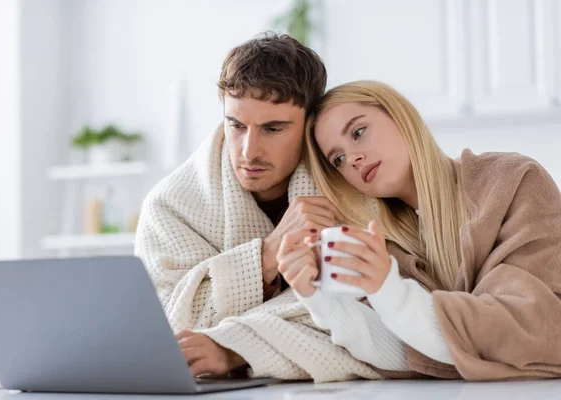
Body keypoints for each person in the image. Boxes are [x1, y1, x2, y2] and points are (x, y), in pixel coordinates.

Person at [135, 34, 383, 382]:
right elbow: (170, 329)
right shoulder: (169, 206)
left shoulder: (354, 187)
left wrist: (236, 349)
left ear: (310, 125)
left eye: (273, 129)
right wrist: (267, 255)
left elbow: (370, 324)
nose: (249, 151)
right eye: (236, 125)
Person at [278, 80, 561, 380]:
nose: (353, 159)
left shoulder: (512, 182)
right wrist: (316, 297)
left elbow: (538, 327)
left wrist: (390, 292)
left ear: (398, 115)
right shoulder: (387, 249)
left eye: (358, 132)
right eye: (338, 159)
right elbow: (406, 355)